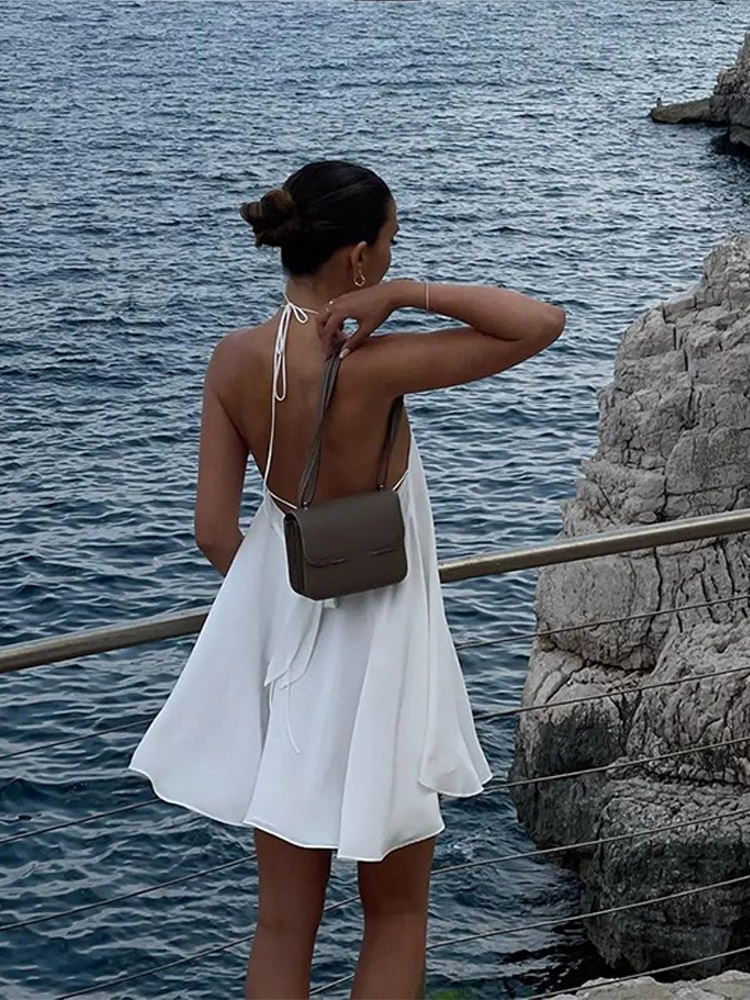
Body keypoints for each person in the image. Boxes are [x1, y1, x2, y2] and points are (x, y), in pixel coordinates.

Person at [127, 159, 566, 1000]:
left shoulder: (232, 360)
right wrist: (406, 295)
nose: (394, 257)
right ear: (359, 258)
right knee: (395, 915)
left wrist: (291, 594)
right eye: (391, 244)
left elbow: (213, 532)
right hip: (385, 661)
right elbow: (539, 323)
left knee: (282, 926)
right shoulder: (377, 365)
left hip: (291, 661)